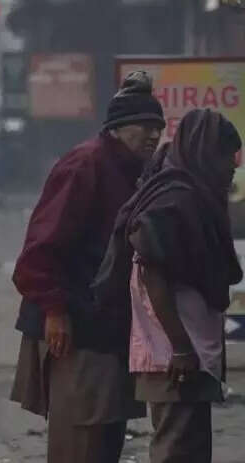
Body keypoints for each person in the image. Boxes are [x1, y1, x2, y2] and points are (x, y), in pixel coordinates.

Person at [9, 71, 165, 463]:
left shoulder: (134, 169)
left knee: (106, 437)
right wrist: (55, 310)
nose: (153, 135)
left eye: (158, 127)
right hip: (73, 325)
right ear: (117, 128)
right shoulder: (86, 164)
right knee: (80, 439)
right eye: (144, 126)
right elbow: (40, 250)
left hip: (106, 324)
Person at [95, 109, 242, 463]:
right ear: (205, 152)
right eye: (227, 155)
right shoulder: (175, 200)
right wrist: (181, 347)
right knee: (176, 451)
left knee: (190, 449)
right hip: (174, 359)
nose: (233, 166)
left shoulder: (191, 196)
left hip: (188, 355)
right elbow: (152, 273)